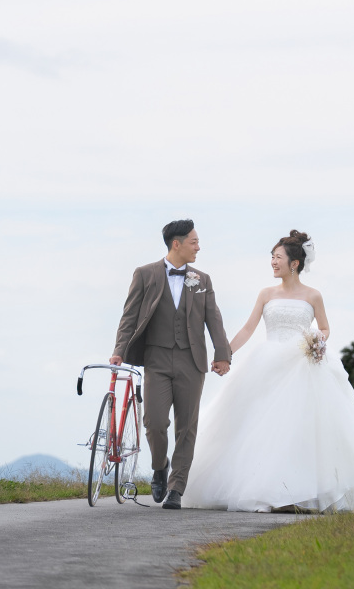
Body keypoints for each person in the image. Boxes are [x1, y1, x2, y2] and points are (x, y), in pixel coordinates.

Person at [184, 230, 354, 512]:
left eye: (278, 257)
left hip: (303, 366)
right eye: (272, 257)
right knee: (264, 428)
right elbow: (248, 328)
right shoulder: (266, 294)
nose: (273, 262)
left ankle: (301, 492)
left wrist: (317, 340)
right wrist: (226, 353)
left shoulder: (313, 295)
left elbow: (325, 328)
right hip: (268, 366)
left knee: (302, 429)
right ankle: (268, 490)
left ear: (294, 263)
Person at [110, 219, 231, 510]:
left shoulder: (203, 280)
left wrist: (222, 354)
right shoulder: (145, 274)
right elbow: (129, 317)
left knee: (186, 427)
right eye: (194, 242)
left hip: (192, 360)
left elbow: (213, 319)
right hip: (157, 359)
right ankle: (159, 465)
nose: (198, 247)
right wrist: (119, 350)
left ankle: (177, 487)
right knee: (154, 422)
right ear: (176, 244)